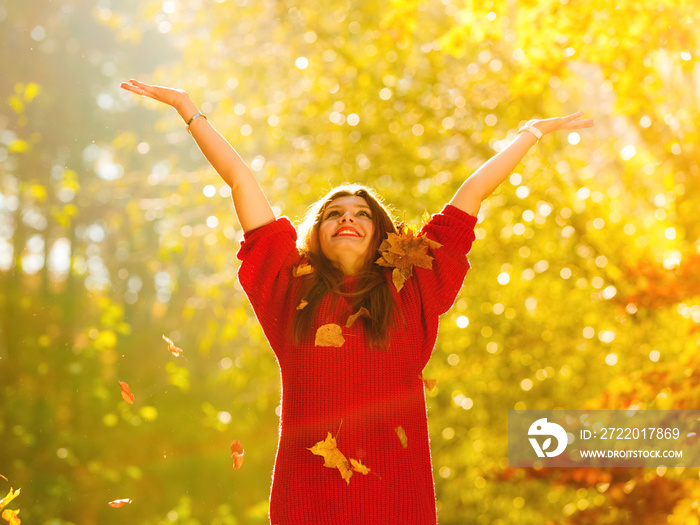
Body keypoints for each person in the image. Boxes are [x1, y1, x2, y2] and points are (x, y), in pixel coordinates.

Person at [121, 78, 593, 524]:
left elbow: (470, 195)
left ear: (381, 232)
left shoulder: (413, 288)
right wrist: (189, 109)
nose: (347, 219)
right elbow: (240, 181)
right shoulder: (290, 290)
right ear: (318, 233)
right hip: (307, 501)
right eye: (333, 213)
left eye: (361, 213)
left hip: (398, 499)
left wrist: (530, 134)